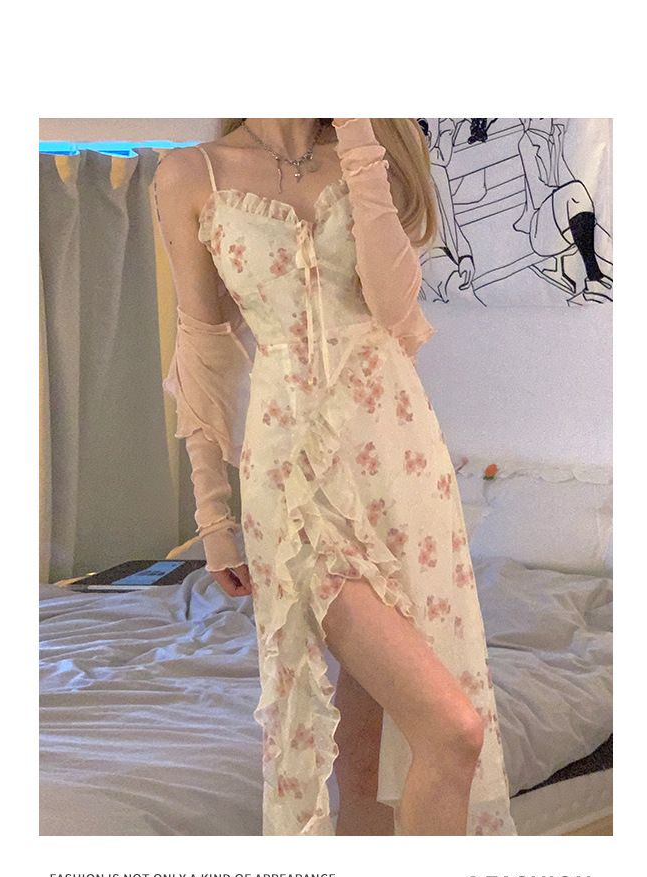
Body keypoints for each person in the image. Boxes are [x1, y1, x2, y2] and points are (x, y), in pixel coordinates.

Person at [155, 118, 517, 837]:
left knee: (370, 746)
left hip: (403, 464)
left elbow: (395, 310)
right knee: (453, 731)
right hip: (292, 484)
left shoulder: (367, 154)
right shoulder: (191, 173)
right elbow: (203, 348)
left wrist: (358, 138)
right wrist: (213, 517)